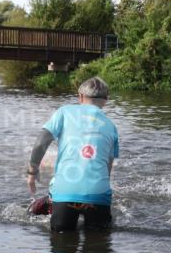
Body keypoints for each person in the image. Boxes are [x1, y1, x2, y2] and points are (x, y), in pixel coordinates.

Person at [26, 76, 119, 232]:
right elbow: (107, 167)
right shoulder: (111, 126)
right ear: (106, 100)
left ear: (80, 96)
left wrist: (32, 172)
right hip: (99, 195)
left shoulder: (64, 112)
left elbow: (41, 142)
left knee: (62, 243)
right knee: (97, 248)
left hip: (65, 192)